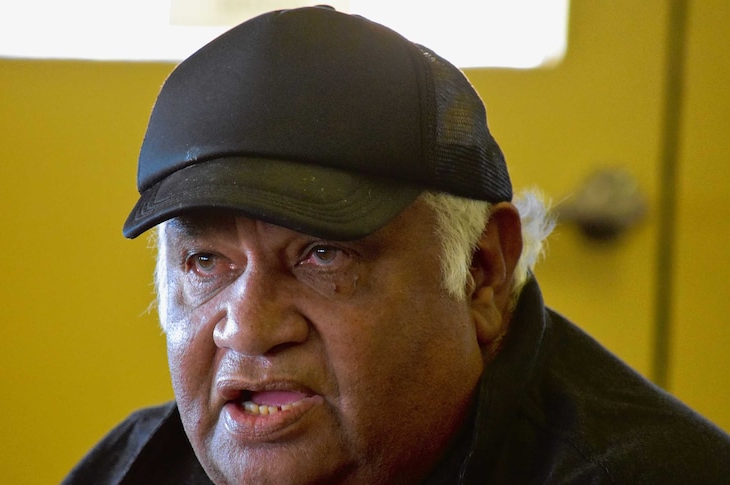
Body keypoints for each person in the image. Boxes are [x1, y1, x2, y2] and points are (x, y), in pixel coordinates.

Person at [63, 6, 730, 484]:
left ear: (481, 273)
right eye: (206, 261)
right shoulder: (137, 467)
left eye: (322, 254)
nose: (249, 326)